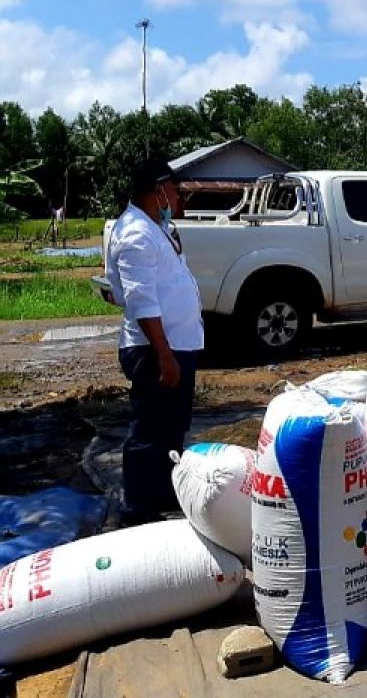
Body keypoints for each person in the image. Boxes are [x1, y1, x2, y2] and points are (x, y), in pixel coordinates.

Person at [105, 153, 203, 525]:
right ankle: (138, 512)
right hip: (155, 349)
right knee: (149, 430)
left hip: (175, 346)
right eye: (175, 192)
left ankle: (164, 496)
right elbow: (141, 300)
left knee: (171, 427)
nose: (179, 199)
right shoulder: (134, 234)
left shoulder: (154, 228)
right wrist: (164, 355)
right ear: (158, 192)